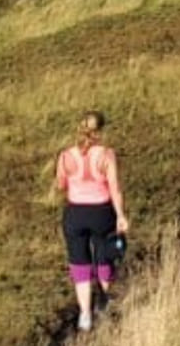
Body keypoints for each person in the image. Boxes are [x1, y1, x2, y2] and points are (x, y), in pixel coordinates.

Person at [54, 111, 128, 332]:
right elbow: (115, 188)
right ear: (101, 131)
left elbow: (60, 184)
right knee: (105, 256)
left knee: (80, 262)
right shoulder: (107, 155)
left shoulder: (66, 156)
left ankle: (85, 315)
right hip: (102, 212)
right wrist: (121, 215)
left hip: (75, 212)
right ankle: (102, 302)